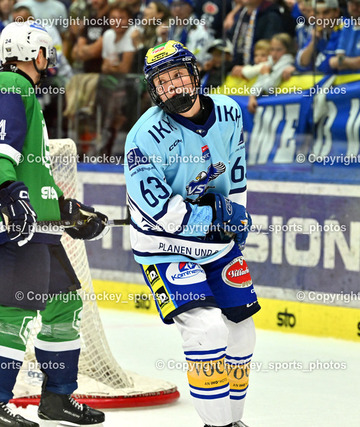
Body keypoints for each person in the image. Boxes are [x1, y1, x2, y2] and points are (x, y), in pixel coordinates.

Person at [0, 20, 107, 426]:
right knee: (14, 313)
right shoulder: (8, 85)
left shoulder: (20, 91)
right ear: (36, 53)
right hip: (16, 225)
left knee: (64, 304)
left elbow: (33, 173)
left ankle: (57, 398)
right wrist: (8, 192)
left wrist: (66, 210)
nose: (49, 60)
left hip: (36, 225)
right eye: (46, 52)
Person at [124, 40, 259, 427]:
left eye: (178, 76)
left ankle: (233, 421)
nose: (172, 87)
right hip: (164, 246)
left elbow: (235, 174)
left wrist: (237, 216)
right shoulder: (143, 138)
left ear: (195, 75)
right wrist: (216, 216)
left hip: (216, 243)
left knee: (242, 331)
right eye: (162, 82)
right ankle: (217, 425)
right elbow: (162, 213)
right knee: (207, 328)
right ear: (153, 90)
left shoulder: (229, 112)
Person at [247, 33, 296, 113]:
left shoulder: (286, 64)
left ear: (287, 50)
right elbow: (259, 82)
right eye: (272, 49)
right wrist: (252, 97)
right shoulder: (270, 62)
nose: (274, 53)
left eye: (279, 50)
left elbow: (269, 88)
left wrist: (265, 74)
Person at [329, 0, 360, 73]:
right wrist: (355, 62)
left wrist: (342, 61)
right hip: (345, 78)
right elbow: (335, 62)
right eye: (351, 3)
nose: (354, 7)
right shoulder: (347, 25)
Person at [297, 0, 341, 73]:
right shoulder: (318, 31)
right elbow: (303, 62)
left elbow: (328, 67)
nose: (321, 18)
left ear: (336, 12)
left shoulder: (345, 29)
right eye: (317, 13)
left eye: (326, 13)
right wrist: (313, 42)